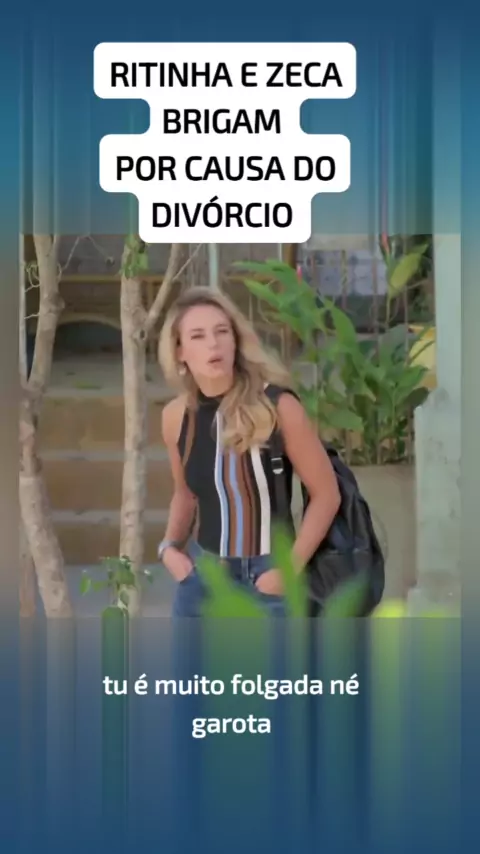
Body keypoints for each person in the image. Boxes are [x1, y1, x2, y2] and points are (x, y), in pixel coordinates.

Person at [157, 286, 341, 618]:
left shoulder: (277, 407)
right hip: (204, 578)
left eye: (222, 332)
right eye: (198, 336)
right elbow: (184, 494)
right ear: (179, 351)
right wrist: (169, 548)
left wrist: (290, 568)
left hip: (269, 580)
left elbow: (326, 494)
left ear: (236, 341)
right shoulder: (175, 417)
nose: (213, 344)